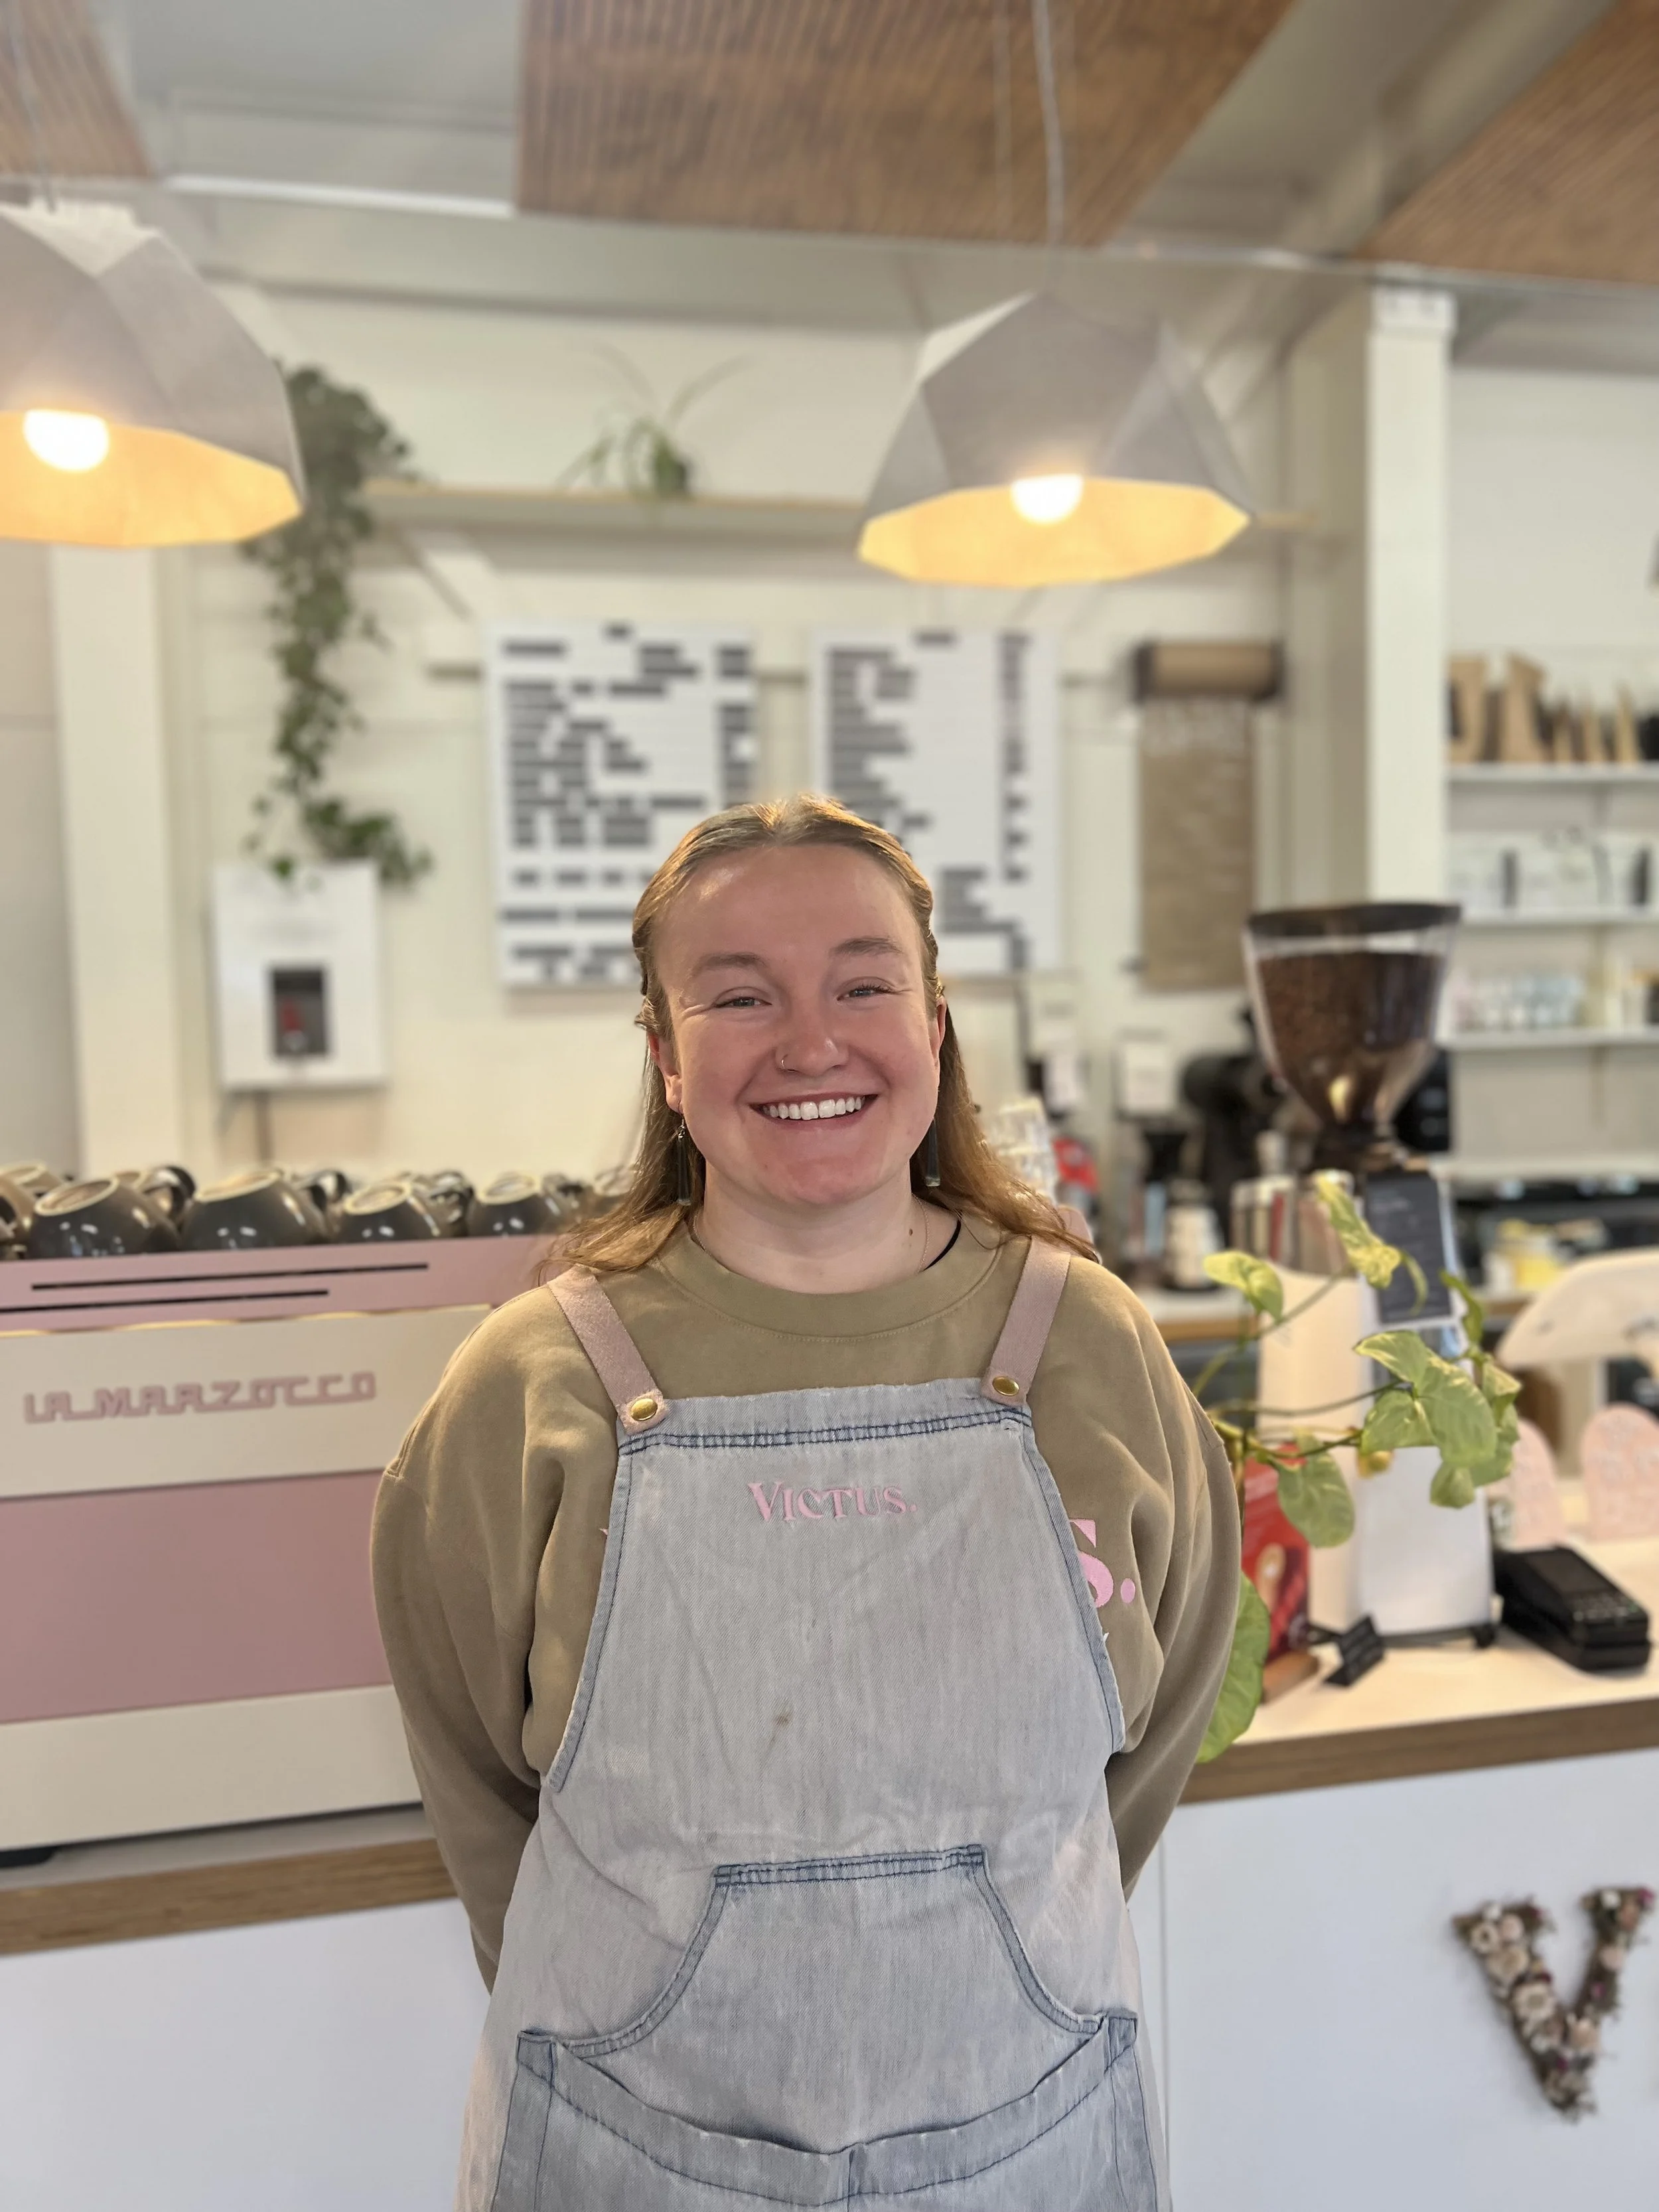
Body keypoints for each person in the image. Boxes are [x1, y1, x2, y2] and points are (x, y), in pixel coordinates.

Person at [372, 793, 1239, 2212]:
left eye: (862, 981)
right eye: (737, 996)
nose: (810, 1041)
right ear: (663, 1057)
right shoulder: (532, 1384)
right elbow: (477, 1778)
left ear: (935, 1022)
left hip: (1028, 2140)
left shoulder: (1089, 1343)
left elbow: (1149, 1736)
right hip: (620, 2151)